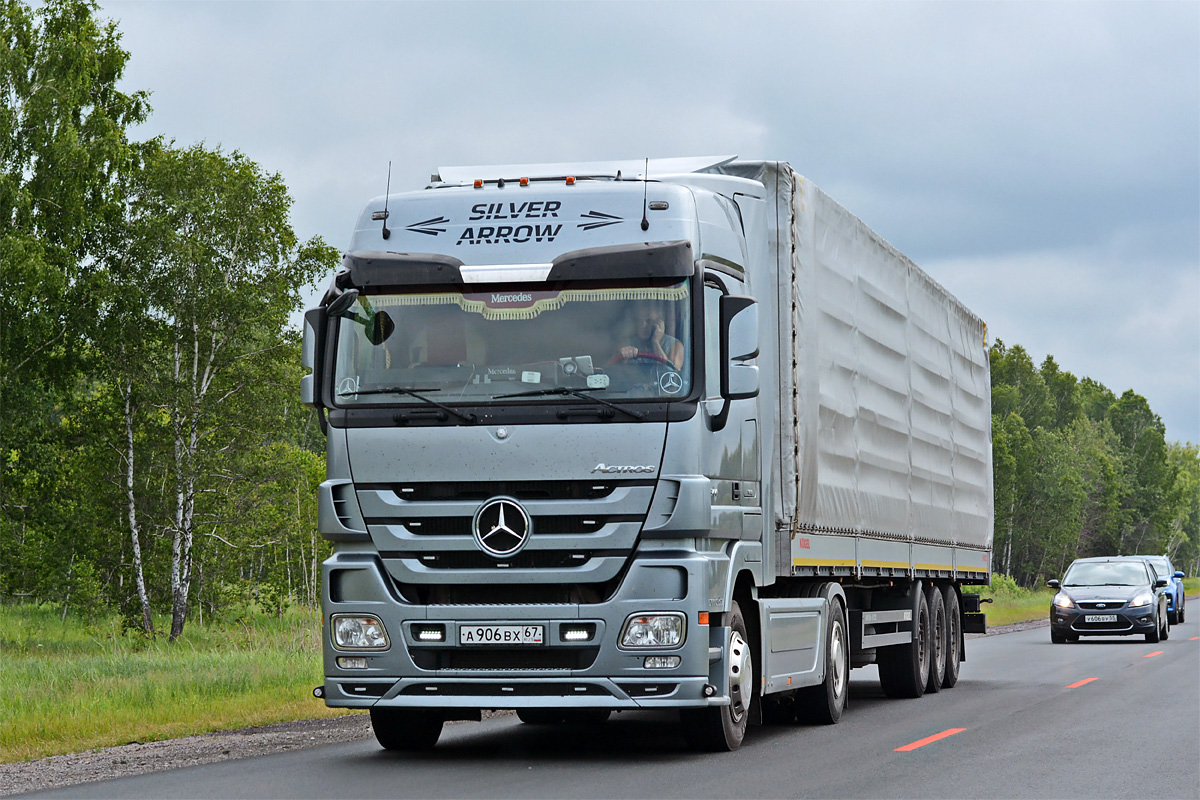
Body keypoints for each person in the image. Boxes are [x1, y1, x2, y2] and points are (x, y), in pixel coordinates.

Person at [616, 301, 684, 370]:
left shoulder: (674, 346)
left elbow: (674, 376)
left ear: (659, 323)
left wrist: (656, 342)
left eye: (648, 321)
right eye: (639, 321)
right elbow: (612, 372)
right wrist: (624, 359)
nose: (643, 325)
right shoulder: (626, 343)